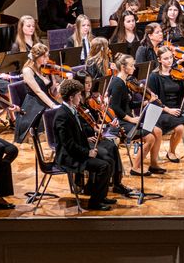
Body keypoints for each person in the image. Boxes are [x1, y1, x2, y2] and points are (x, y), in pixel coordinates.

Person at [54, 79, 114, 211]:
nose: (80, 97)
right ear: (71, 97)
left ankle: (101, 196)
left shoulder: (72, 110)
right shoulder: (62, 116)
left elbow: (79, 135)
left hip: (77, 151)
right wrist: (87, 152)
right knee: (103, 166)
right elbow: (68, 145)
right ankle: (94, 202)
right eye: (78, 95)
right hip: (69, 157)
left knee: (109, 160)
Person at [107, 54, 165, 176]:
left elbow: (129, 104)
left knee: (157, 130)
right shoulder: (117, 84)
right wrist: (131, 119)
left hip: (127, 120)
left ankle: (153, 164)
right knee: (150, 138)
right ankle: (136, 167)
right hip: (119, 123)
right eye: (132, 65)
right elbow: (115, 108)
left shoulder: (125, 82)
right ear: (123, 67)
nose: (134, 68)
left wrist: (144, 102)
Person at [146, 46, 184, 166]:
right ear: (159, 60)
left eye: (171, 57)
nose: (169, 61)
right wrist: (168, 110)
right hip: (161, 110)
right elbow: (153, 100)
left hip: (177, 108)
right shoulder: (154, 77)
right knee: (180, 128)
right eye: (165, 58)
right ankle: (171, 152)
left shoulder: (177, 73)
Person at [14, 44, 61, 143]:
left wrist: (54, 76)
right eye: (44, 56)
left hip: (46, 99)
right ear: (36, 57)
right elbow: (38, 91)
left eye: (48, 55)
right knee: (54, 116)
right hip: (34, 104)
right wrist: (52, 105)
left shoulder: (44, 68)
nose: (47, 58)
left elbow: (53, 92)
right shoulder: (27, 70)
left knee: (63, 113)